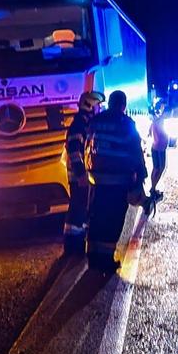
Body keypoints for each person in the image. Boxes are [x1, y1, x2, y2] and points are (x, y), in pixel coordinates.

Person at [83, 90, 147, 272]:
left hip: (96, 179)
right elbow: (135, 151)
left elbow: (86, 146)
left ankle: (92, 258)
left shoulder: (95, 121)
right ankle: (106, 259)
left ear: (109, 103)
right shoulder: (126, 124)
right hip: (117, 180)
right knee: (112, 220)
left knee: (95, 217)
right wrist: (141, 175)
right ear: (123, 105)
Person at [63, 91, 105, 254]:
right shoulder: (79, 126)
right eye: (97, 106)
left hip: (83, 175)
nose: (99, 110)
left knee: (82, 210)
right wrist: (81, 174)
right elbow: (74, 151)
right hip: (78, 176)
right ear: (90, 106)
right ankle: (73, 247)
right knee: (77, 210)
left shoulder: (85, 124)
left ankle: (77, 245)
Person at [143, 98, 171, 215]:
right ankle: (153, 189)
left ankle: (153, 188)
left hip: (155, 147)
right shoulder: (161, 122)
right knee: (160, 168)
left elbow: (149, 133)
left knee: (156, 168)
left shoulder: (156, 121)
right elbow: (162, 135)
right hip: (160, 148)